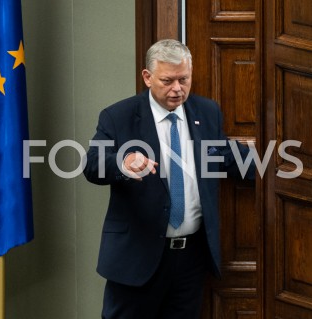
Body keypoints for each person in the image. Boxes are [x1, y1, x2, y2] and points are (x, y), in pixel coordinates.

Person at [84, 39, 255, 319]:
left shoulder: (207, 111)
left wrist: (273, 168)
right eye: (168, 80)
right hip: (137, 258)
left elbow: (222, 154)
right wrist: (122, 162)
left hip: (190, 260)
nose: (177, 89)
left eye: (183, 79)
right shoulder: (119, 116)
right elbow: (92, 164)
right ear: (147, 77)